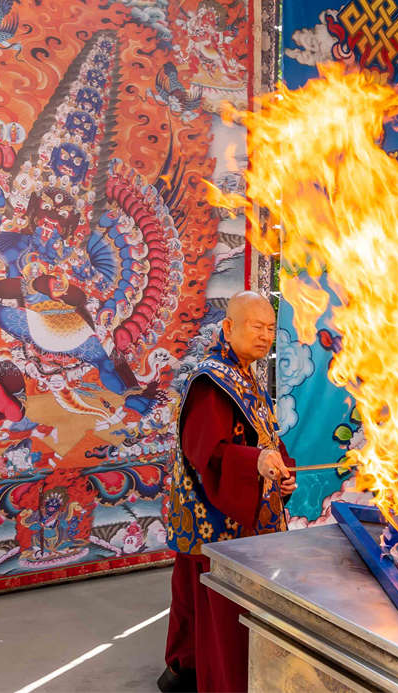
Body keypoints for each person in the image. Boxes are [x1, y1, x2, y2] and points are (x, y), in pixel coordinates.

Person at [159, 291, 295, 692]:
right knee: (221, 607)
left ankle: (185, 672)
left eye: (270, 328)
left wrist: (283, 470)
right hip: (216, 518)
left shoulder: (245, 374)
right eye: (256, 326)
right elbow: (206, 453)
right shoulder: (211, 380)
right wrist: (255, 463)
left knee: (197, 604)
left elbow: (262, 435)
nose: (265, 336)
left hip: (238, 508)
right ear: (229, 327)